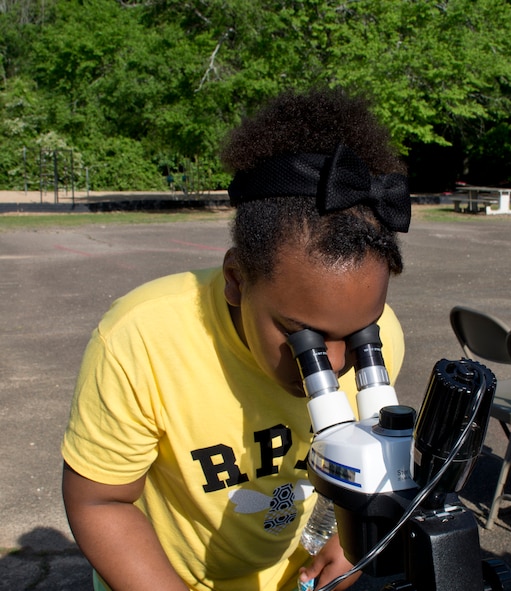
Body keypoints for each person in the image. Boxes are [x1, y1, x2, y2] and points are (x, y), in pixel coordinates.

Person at [61, 88, 412, 591]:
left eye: (358, 336)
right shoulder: (142, 338)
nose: (335, 364)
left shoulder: (384, 337)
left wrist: (350, 539)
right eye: (302, 335)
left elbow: (366, 466)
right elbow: (99, 500)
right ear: (236, 279)